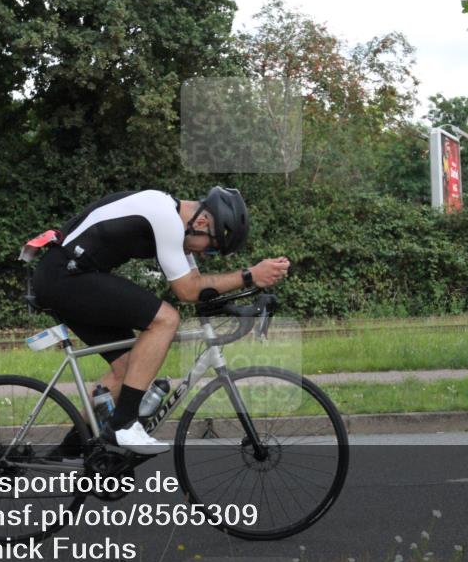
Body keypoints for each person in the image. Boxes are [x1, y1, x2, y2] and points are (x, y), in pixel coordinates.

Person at [30, 187, 290, 454]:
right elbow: (187, 289)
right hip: (64, 277)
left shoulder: (176, 220)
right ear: (202, 222)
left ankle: (67, 453)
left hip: (70, 277)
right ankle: (124, 426)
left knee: (129, 368)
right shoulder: (165, 217)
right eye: (212, 249)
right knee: (165, 319)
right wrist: (250, 275)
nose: (205, 255)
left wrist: (241, 306)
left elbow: (200, 290)